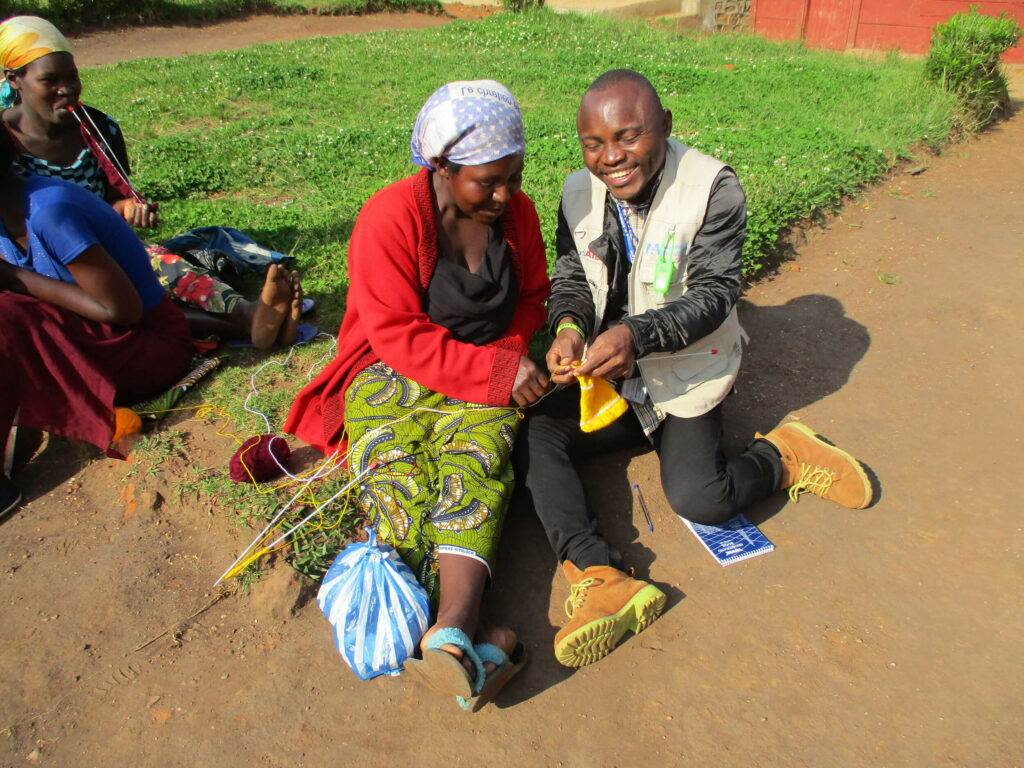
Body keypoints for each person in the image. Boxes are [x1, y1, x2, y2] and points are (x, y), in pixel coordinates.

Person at [515, 69, 873, 668]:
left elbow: (715, 294)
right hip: (611, 371)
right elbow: (572, 275)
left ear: (665, 128)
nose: (611, 159)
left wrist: (637, 335)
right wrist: (572, 327)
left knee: (701, 499)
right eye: (593, 144)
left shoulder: (713, 187)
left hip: (686, 369)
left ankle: (783, 456)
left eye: (628, 138)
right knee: (534, 432)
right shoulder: (578, 192)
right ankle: (601, 574)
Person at [284, 81, 550, 709]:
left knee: (480, 452)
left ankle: (454, 626)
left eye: (514, 175)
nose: (505, 194)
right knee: (397, 462)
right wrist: (493, 377)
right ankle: (476, 633)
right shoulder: (390, 218)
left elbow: (534, 297)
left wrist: (504, 362)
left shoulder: (521, 216)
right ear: (441, 166)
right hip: (388, 368)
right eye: (488, 181)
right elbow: (397, 335)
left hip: (489, 368)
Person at [0, 15, 302, 350]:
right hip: (46, 261)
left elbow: (112, 202)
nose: (66, 89)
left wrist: (127, 207)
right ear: (15, 80)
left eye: (73, 77)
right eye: (50, 80)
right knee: (126, 294)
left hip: (102, 248)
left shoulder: (99, 129)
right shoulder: (5, 143)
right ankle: (250, 321)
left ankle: (248, 314)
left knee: (154, 266)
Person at [0, 127, 194, 519]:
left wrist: (12, 278)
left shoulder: (50, 212)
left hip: (150, 345)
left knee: (6, 315)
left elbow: (123, 312)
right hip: (94, 340)